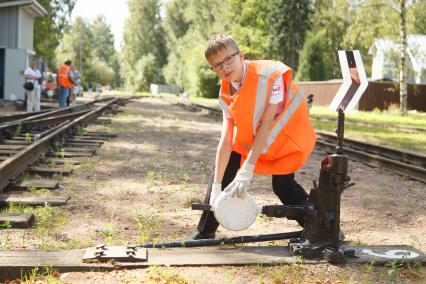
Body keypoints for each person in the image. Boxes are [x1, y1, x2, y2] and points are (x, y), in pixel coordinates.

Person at [188, 34, 317, 240]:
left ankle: (322, 228)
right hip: (262, 138)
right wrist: (216, 187)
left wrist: (247, 169)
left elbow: (267, 124)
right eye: (217, 65)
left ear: (241, 55)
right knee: (226, 165)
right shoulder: (225, 91)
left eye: (228, 59)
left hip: (287, 138)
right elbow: (226, 139)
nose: (225, 67)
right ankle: (205, 232)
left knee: (283, 186)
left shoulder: (271, 76)